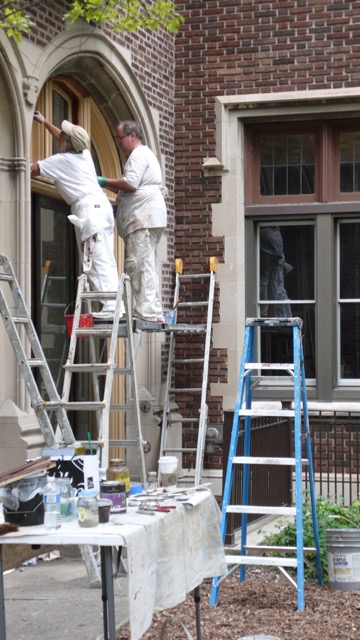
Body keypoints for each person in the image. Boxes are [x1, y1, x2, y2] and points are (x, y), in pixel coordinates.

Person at [31, 112, 120, 319]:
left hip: (90, 212)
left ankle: (109, 308)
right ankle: (115, 306)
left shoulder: (61, 161)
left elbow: (32, 170)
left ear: (68, 144)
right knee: (105, 258)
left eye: (64, 134)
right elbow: (62, 137)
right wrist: (44, 122)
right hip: (101, 208)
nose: (60, 134)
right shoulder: (85, 153)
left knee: (95, 260)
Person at [97, 120, 167, 323]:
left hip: (142, 219)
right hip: (147, 217)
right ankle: (153, 310)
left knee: (138, 265)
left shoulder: (138, 155)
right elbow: (126, 187)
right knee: (146, 264)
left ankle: (146, 312)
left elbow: (130, 184)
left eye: (119, 138)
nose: (118, 143)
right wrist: (110, 185)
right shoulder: (145, 155)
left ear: (132, 136)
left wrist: (102, 181)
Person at [259, 226, 292, 318]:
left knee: (267, 281)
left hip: (271, 249)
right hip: (277, 250)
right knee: (277, 284)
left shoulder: (264, 227)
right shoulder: (274, 228)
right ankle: (281, 314)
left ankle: (265, 309)